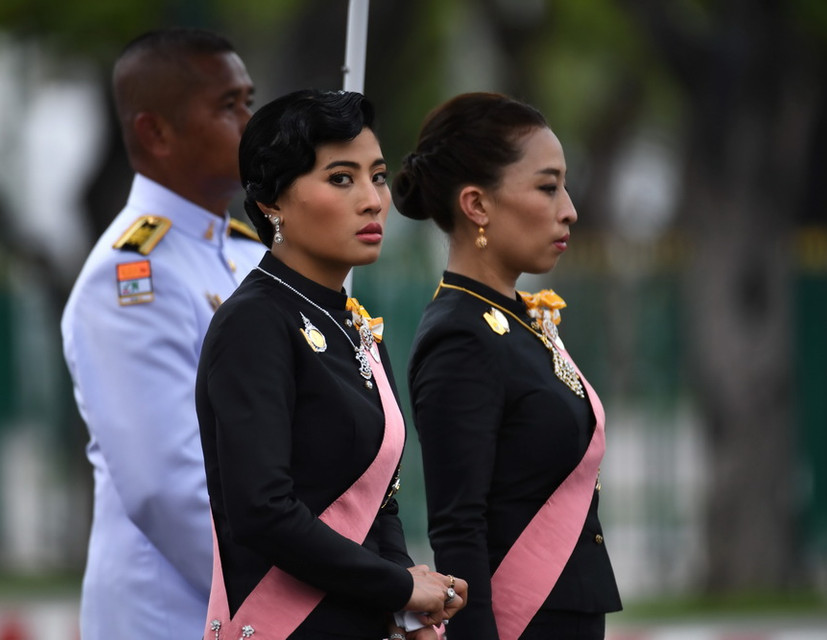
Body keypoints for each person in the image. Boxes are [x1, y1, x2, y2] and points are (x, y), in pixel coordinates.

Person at [195, 89, 467, 640]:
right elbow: (263, 511)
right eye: (341, 178)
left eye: (379, 176)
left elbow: (379, 501)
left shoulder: (354, 323)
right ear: (272, 201)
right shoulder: (255, 323)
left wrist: (409, 610)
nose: (372, 200)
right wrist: (397, 586)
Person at [393, 92, 622, 640]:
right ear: (477, 205)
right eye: (547, 187)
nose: (568, 208)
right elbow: (458, 525)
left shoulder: (519, 319)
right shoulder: (459, 335)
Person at [61, 28, 265, 640]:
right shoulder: (131, 277)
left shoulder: (246, 254)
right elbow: (168, 488)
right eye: (228, 107)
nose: (251, 124)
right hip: (178, 612)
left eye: (249, 102)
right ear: (156, 132)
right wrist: (291, 597)